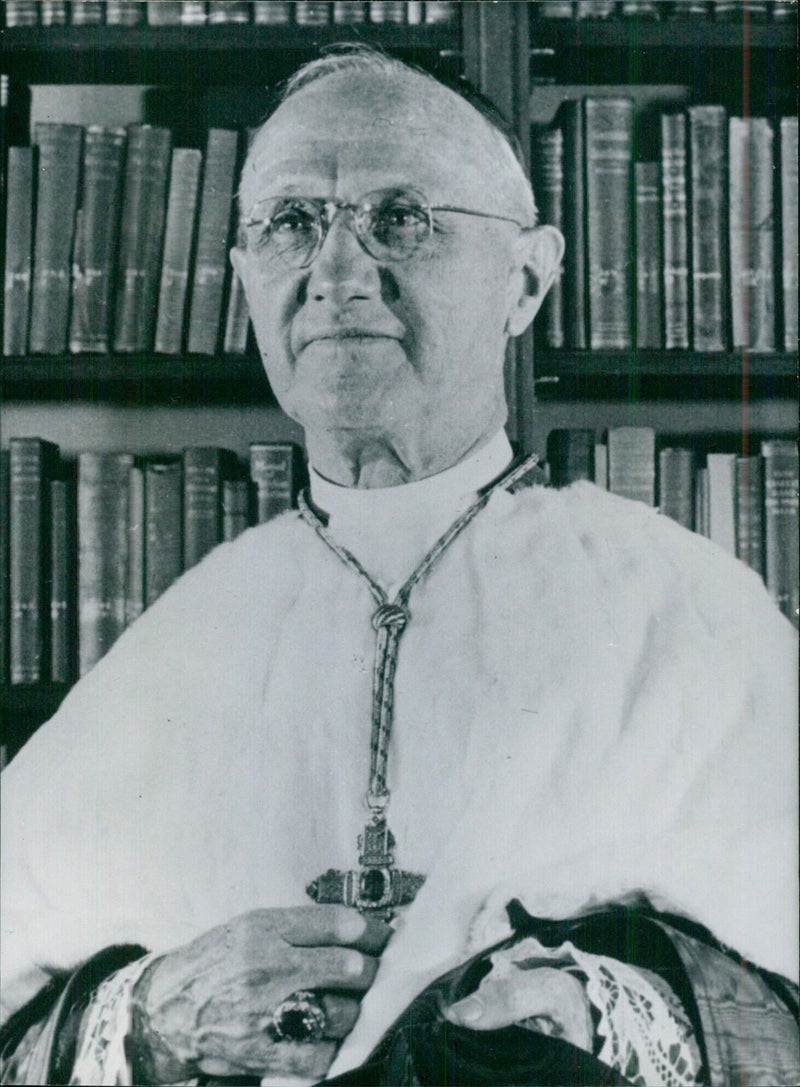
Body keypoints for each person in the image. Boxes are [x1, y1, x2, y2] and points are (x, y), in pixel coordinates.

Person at [1, 46, 797, 1087]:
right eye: (290, 223)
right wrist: (149, 1023)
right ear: (243, 275)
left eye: (398, 217)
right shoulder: (182, 634)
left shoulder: (681, 611)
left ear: (527, 278)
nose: (334, 274)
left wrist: (611, 1015)